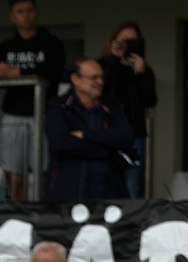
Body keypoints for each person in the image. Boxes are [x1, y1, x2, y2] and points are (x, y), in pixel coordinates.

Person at [0, 0, 65, 201]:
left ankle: (43, 221)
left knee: (43, 175)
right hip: (13, 115)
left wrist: (17, 72)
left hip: (43, 114)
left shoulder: (51, 44)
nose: (25, 15)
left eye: (29, 10)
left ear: (35, 12)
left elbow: (54, 72)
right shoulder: (6, 47)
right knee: (15, 178)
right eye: (20, 11)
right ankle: (18, 220)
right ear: (12, 16)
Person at [45, 58, 135, 201]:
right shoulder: (58, 106)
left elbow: (126, 137)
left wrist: (85, 134)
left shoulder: (111, 106)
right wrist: (106, 149)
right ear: (76, 79)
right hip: (69, 191)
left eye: (101, 77)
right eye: (94, 78)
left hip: (110, 191)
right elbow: (60, 142)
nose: (100, 82)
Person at [99, 21, 157, 199]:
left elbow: (151, 101)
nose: (127, 45)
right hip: (107, 132)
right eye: (123, 40)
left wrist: (142, 73)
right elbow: (101, 90)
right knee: (105, 181)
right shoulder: (103, 65)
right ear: (114, 41)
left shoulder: (143, 70)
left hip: (134, 134)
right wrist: (115, 59)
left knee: (132, 186)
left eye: (132, 41)